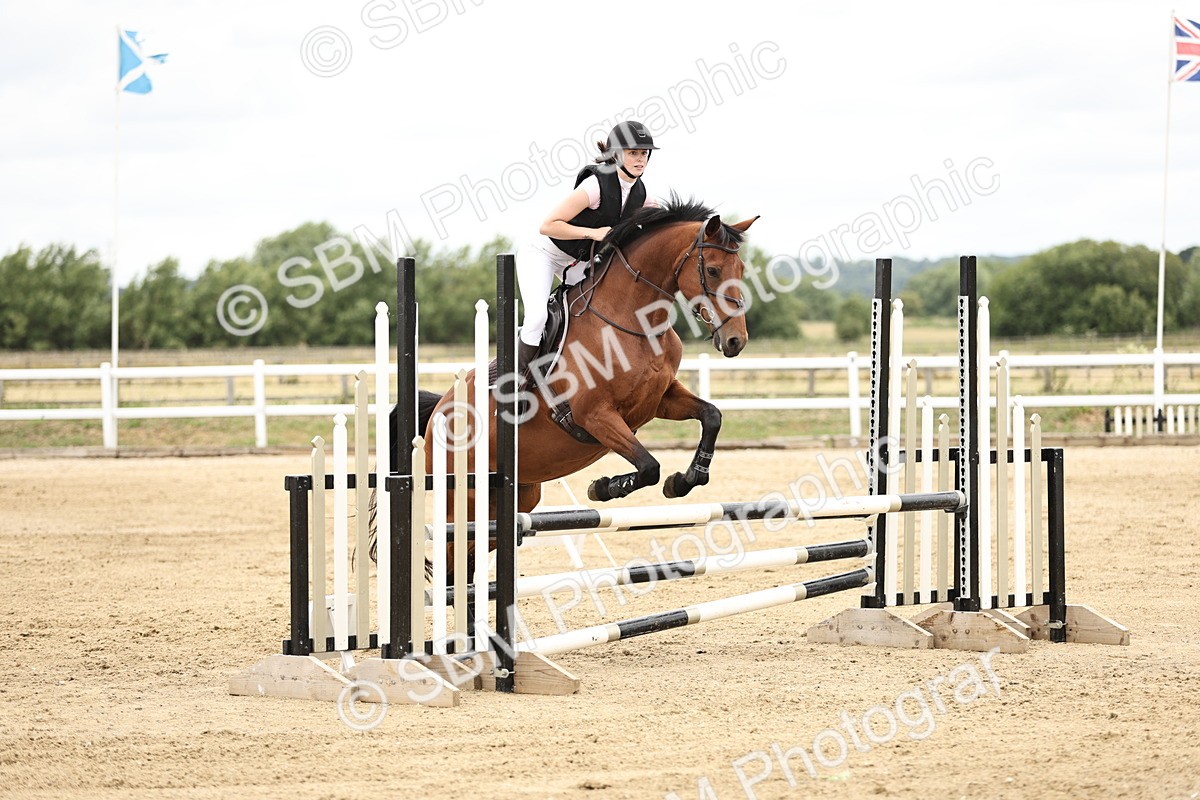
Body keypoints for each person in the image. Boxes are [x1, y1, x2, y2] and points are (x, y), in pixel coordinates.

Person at [515, 121, 660, 381]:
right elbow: (548, 226)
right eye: (633, 153)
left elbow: (663, 223)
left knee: (597, 311)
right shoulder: (595, 185)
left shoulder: (643, 195)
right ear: (616, 154)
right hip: (543, 253)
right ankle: (516, 381)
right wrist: (592, 233)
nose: (640, 160)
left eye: (644, 154)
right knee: (537, 317)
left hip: (578, 262)